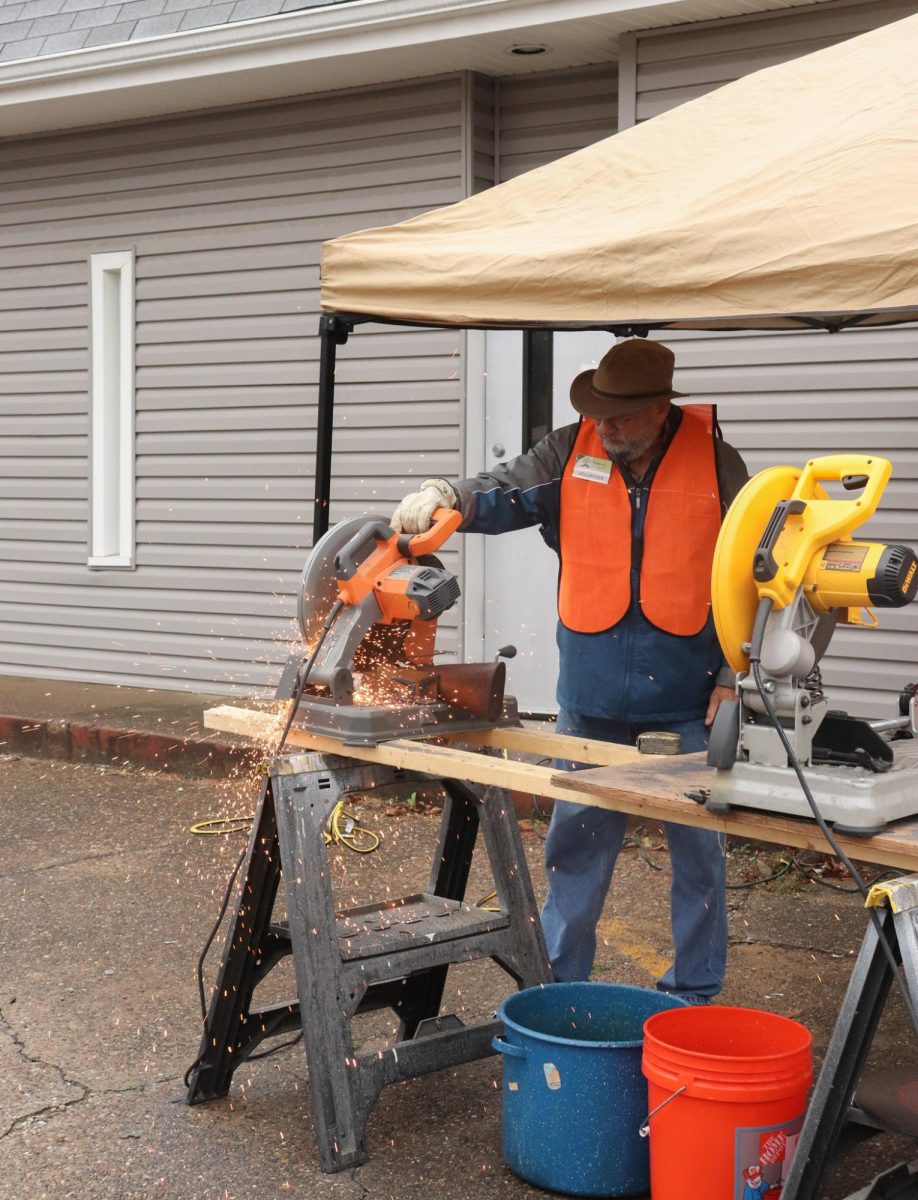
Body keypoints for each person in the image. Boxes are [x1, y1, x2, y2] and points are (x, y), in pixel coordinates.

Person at [391, 337, 748, 1004]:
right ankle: (558, 986)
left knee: (700, 858)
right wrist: (450, 497)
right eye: (599, 413)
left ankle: (693, 996)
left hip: (689, 698)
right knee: (576, 848)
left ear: (661, 409)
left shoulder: (718, 464)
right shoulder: (568, 450)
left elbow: (750, 574)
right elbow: (505, 492)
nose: (605, 427)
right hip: (589, 698)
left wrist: (734, 675)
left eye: (621, 416)